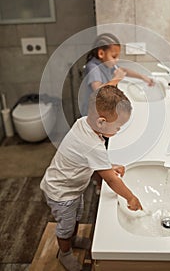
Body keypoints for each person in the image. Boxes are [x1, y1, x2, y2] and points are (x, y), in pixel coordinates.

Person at [40, 85, 142, 271]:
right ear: (102, 122)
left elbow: (85, 158)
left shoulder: (83, 123)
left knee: (77, 215)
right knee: (65, 225)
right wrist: (130, 197)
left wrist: (108, 166)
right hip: (61, 193)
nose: (118, 130)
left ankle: (74, 238)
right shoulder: (92, 144)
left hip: (71, 187)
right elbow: (111, 180)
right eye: (118, 127)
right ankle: (64, 253)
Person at [79, 33, 155, 116]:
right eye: (114, 56)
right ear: (101, 53)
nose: (117, 60)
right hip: (93, 114)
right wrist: (116, 79)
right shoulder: (93, 67)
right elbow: (98, 91)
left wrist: (143, 77)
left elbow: (124, 70)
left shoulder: (106, 64)